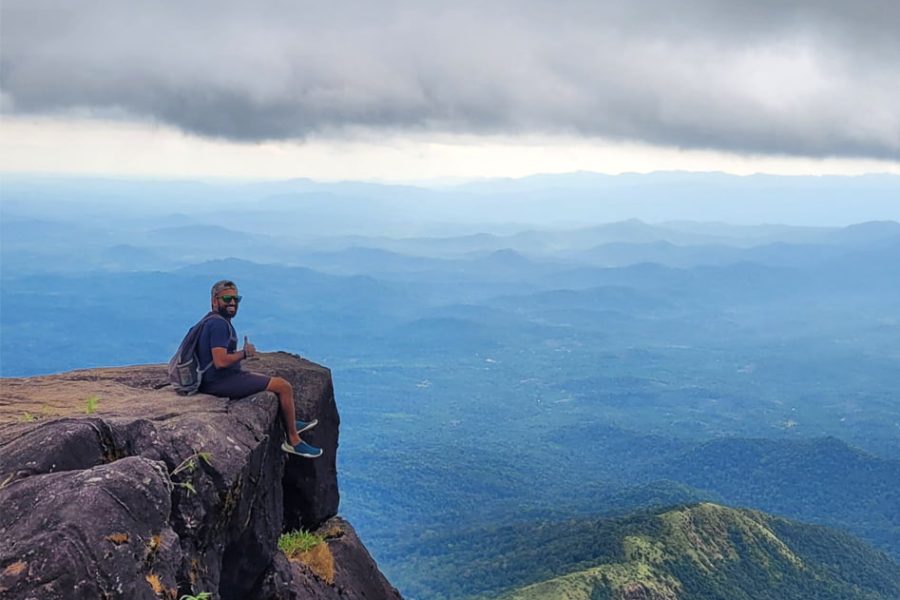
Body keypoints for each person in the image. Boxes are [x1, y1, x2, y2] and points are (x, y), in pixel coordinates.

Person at [197, 279, 322, 458]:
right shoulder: (218, 325)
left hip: (217, 378)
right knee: (283, 386)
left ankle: (290, 422)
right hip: (218, 381)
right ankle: (293, 440)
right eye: (227, 299)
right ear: (215, 301)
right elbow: (220, 361)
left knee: (270, 380)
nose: (232, 303)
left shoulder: (212, 320)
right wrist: (244, 353)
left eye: (236, 299)